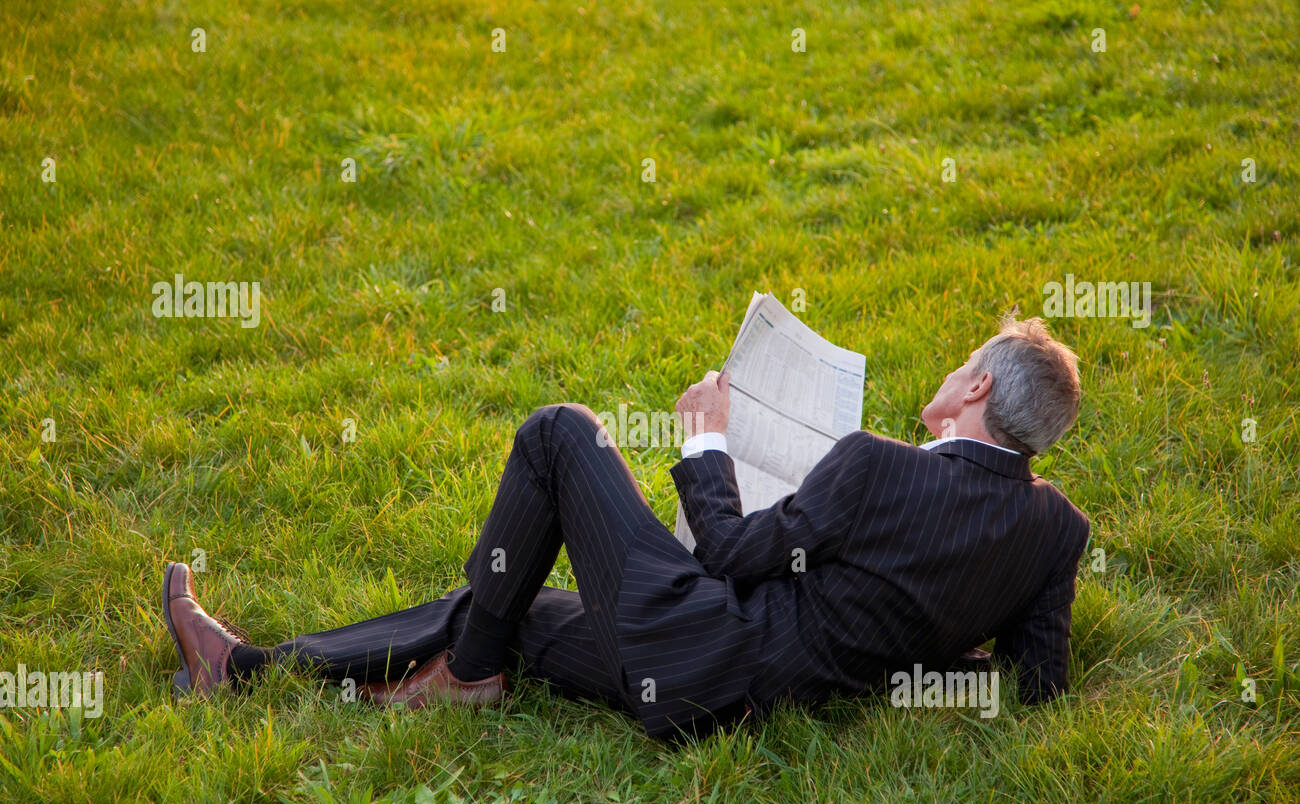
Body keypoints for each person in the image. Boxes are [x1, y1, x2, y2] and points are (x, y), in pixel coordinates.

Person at [163, 312, 1090, 741]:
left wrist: (709, 443)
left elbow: (726, 553)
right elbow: (1036, 681)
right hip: (737, 703)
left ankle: (469, 680)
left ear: (975, 387)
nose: (955, 366)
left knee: (561, 432)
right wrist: (903, 635)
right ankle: (243, 668)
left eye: (965, 357)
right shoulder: (1057, 532)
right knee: (508, 599)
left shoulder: (874, 461)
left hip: (702, 640)